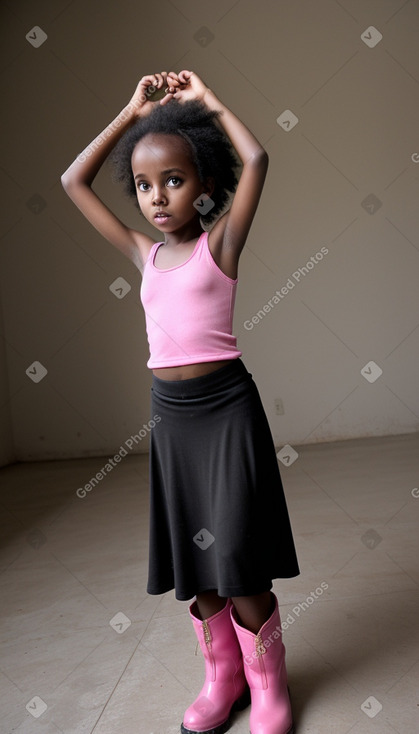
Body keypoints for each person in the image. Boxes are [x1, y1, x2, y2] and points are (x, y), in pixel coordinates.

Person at [61, 69, 299, 734]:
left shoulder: (219, 245)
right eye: (143, 184)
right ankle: (222, 677)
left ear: (204, 188)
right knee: (198, 569)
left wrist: (208, 103)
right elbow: (71, 182)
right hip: (172, 421)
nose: (157, 197)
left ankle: (267, 680)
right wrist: (132, 109)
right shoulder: (143, 255)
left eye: (174, 179)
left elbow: (256, 157)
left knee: (239, 560)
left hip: (226, 414)